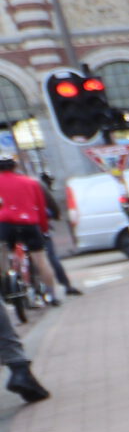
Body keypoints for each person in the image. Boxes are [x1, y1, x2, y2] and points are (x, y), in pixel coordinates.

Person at [0, 155, 53, 401]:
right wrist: (43, 227)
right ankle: (50, 294)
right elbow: (42, 208)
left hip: (5, 227)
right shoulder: (29, 182)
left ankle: (8, 277)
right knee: (40, 258)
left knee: (6, 254)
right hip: (29, 223)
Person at [35, 172, 78, 295]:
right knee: (49, 257)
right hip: (35, 225)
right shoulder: (32, 182)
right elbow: (49, 201)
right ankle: (65, 286)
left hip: (7, 227)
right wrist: (56, 214)